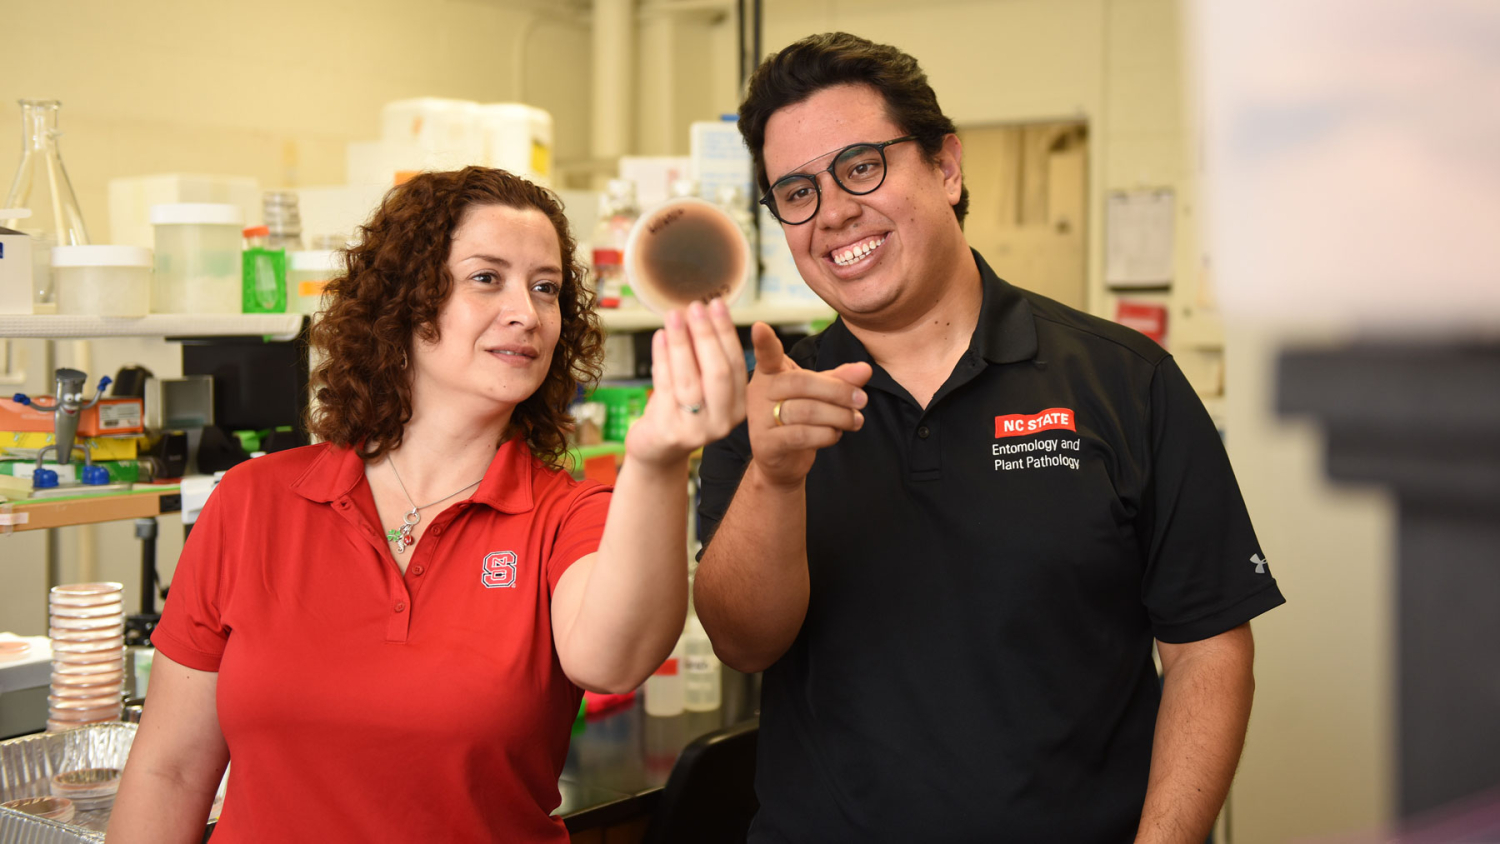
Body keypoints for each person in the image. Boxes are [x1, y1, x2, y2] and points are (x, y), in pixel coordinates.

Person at [693, 32, 1285, 843]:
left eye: (860, 166)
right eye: (794, 191)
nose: (831, 212)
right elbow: (743, 642)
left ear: (945, 166)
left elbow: (1207, 651)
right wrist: (776, 477)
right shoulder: (772, 405)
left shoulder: (1124, 381)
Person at [109, 167, 748, 843]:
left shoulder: (568, 514)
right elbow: (170, 772)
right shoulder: (253, 502)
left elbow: (610, 661)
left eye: (546, 288)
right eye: (486, 277)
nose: (526, 314)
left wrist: (657, 459)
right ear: (408, 300)